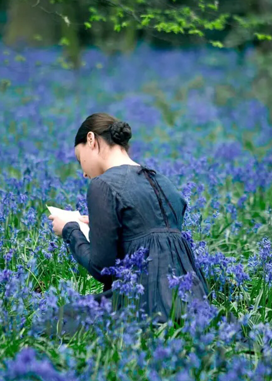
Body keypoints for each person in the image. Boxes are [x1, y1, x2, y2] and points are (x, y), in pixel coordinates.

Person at [48, 113, 208, 336]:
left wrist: (70, 229)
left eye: (79, 158)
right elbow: (149, 238)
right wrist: (100, 228)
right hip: (192, 304)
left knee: (53, 322)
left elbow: (103, 269)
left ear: (92, 140)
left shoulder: (103, 185)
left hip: (143, 303)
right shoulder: (164, 182)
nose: (83, 172)